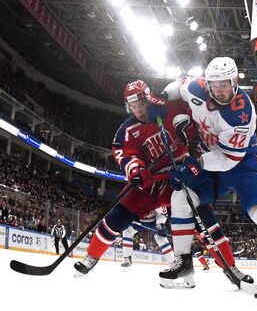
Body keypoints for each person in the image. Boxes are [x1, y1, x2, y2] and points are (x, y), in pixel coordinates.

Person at [75, 80, 247, 287]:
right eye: (133, 107)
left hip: (179, 177)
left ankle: (231, 268)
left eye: (141, 105)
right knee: (117, 217)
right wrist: (135, 169)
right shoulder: (128, 129)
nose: (138, 111)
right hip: (149, 182)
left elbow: (198, 118)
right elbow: (123, 152)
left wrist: (188, 129)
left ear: (148, 99)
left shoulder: (170, 109)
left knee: (204, 220)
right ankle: (91, 258)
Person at [158, 57, 257, 287]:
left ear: (234, 81)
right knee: (181, 197)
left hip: (242, 161)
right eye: (214, 85)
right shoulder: (197, 87)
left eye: (223, 84)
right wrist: (162, 98)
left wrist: (195, 164)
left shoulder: (241, 112)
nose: (219, 90)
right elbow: (178, 86)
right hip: (209, 157)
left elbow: (228, 159)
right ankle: (183, 261)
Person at [121, 207, 174, 271]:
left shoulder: (157, 198)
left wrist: (160, 224)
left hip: (154, 221)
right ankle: (127, 258)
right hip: (139, 219)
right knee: (127, 231)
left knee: (160, 238)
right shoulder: (134, 197)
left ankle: (172, 263)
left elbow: (163, 213)